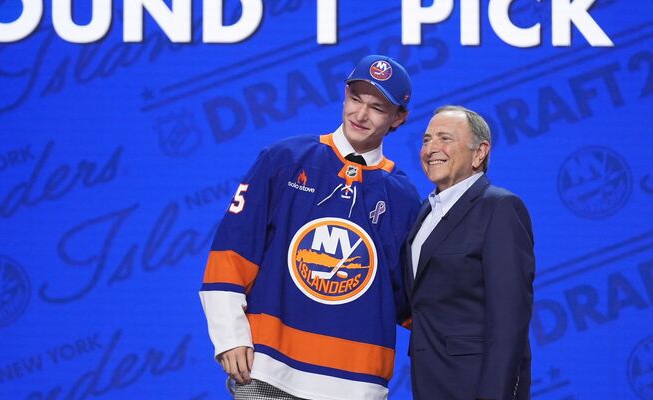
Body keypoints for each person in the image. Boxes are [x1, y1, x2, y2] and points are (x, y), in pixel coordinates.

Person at [199, 55, 421, 400]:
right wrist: (230, 337)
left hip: (355, 385)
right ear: (344, 96)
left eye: (377, 107)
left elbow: (412, 298)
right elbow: (232, 252)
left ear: (398, 118)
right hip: (268, 370)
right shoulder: (284, 159)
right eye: (355, 99)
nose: (360, 115)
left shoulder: (404, 197)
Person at [404, 105, 535, 400]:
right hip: (428, 382)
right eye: (426, 140)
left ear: (480, 153)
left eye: (445, 138)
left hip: (475, 386)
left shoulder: (499, 208)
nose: (431, 149)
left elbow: (509, 321)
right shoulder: (425, 211)